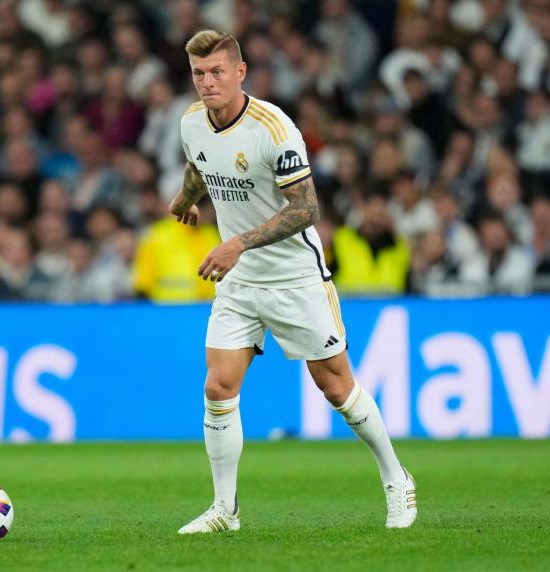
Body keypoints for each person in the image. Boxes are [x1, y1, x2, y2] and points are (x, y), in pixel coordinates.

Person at [169, 30, 417, 535]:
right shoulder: (191, 121)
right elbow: (200, 165)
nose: (207, 82)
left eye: (217, 72)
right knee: (218, 386)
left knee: (336, 387)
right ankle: (224, 510)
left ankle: (397, 477)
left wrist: (238, 243)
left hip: (294, 278)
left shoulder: (274, 128)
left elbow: (307, 209)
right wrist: (185, 199)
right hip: (240, 283)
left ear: (240, 72)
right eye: (198, 74)